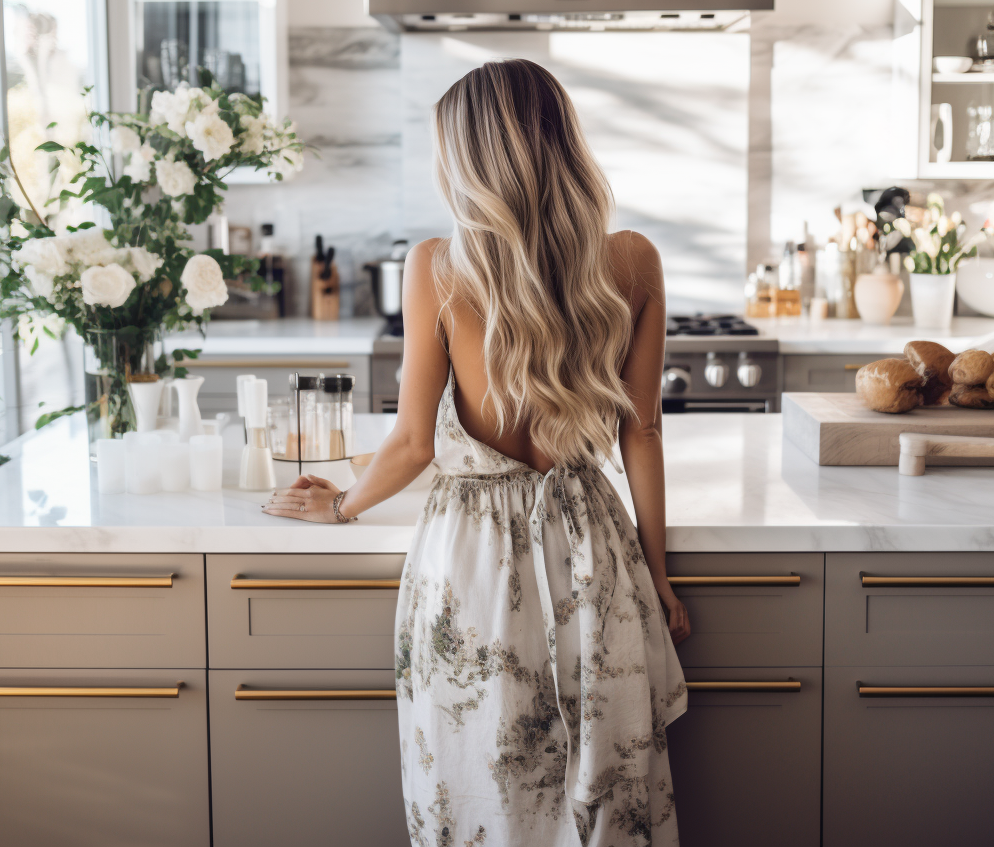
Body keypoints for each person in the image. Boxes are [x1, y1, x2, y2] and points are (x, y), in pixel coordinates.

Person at [264, 58, 690, 846]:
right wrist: (657, 578)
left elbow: (412, 443)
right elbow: (644, 433)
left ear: (468, 158)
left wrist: (342, 505)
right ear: (561, 142)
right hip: (590, 547)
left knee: (479, 778)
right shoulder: (632, 260)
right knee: (605, 782)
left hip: (471, 559)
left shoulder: (437, 265)